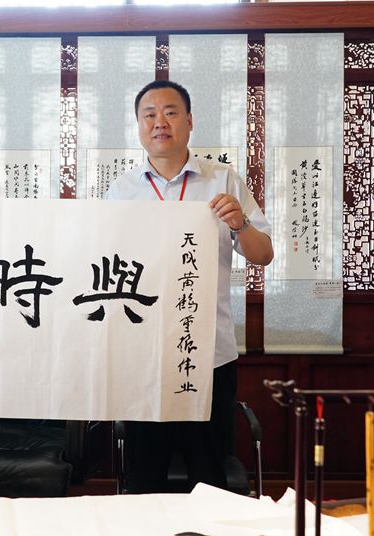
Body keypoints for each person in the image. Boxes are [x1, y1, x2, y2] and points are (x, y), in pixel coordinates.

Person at [106, 80, 273, 493]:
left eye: (170, 112)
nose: (159, 122)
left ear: (190, 121)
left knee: (209, 479)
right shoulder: (121, 191)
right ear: (138, 125)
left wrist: (240, 222)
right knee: (144, 481)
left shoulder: (222, 180)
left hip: (210, 357)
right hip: (144, 357)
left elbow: (264, 254)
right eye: (149, 114)